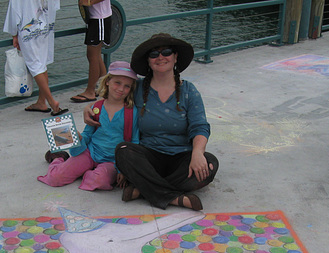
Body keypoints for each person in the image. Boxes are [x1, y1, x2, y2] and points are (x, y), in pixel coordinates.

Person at [85, 33, 218, 210]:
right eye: (154, 54)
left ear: (175, 56)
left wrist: (197, 153)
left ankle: (143, 188)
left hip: (181, 156)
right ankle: (174, 198)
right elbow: (112, 100)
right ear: (148, 61)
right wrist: (91, 108)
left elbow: (199, 126)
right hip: (148, 156)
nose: (160, 57)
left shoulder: (188, 90)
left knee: (209, 164)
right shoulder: (138, 88)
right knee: (123, 151)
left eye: (167, 52)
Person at [38, 61, 139, 191]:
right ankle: (58, 159)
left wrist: (124, 169)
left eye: (127, 86)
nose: (121, 89)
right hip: (90, 152)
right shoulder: (95, 107)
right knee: (56, 178)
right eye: (117, 83)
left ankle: (85, 171)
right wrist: (79, 138)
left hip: (112, 161)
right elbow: (88, 134)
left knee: (98, 181)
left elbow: (134, 142)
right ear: (107, 81)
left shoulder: (132, 112)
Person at [3, 0, 68, 116]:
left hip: (28, 31)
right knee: (41, 64)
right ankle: (41, 102)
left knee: (35, 66)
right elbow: (54, 6)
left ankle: (52, 102)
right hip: (45, 28)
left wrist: (14, 35)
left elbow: (14, 13)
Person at [70, 0, 112, 103]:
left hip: (99, 17)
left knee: (93, 56)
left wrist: (89, 2)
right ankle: (103, 86)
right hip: (95, 17)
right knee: (95, 55)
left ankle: (90, 91)